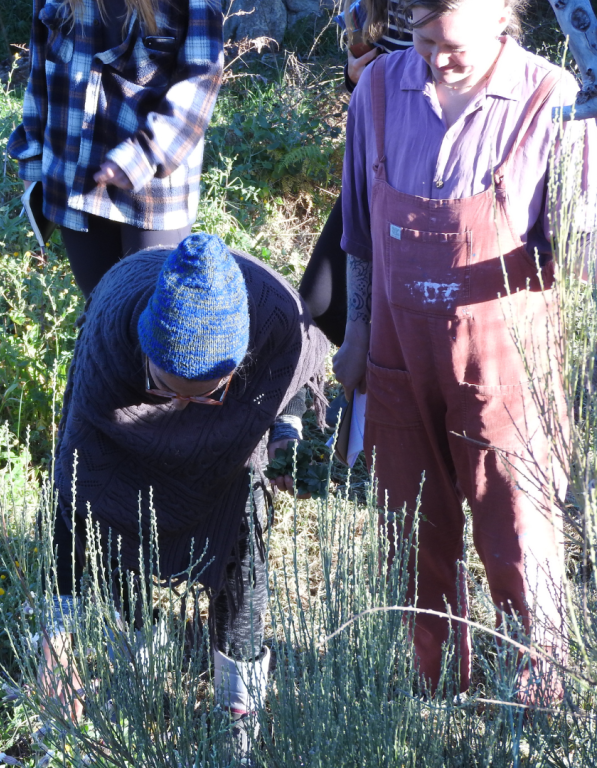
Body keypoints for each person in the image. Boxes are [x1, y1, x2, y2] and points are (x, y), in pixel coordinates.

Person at [333, 0, 595, 700]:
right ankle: (434, 686)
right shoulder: (381, 92)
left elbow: (582, 256)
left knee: (518, 531)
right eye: (422, 43)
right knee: (412, 525)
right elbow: (357, 233)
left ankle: (542, 695)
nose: (435, 61)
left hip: (507, 367)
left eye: (452, 48)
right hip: (396, 354)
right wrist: (357, 333)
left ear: (502, 16)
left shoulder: (553, 99)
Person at [44, 233, 328, 759]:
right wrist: (57, 639)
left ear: (237, 368)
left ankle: (239, 708)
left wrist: (284, 436)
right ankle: (136, 657)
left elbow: (294, 378)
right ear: (146, 353)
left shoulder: (275, 323)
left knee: (243, 531)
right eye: (167, 388)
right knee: (112, 504)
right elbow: (74, 492)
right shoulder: (109, 338)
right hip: (127, 396)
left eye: (202, 394)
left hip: (231, 425)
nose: (179, 405)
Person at [7, 0, 224, 297]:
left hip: (155, 193)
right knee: (99, 312)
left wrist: (145, 152)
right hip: (73, 183)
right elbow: (39, 72)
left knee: (154, 314)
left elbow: (201, 78)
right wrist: (31, 159)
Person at [299, 0, 412, 348]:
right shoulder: (370, 7)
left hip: (416, 180)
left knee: (402, 313)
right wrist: (353, 75)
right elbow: (358, 87)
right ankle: (362, 379)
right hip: (371, 167)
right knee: (318, 302)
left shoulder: (446, 13)